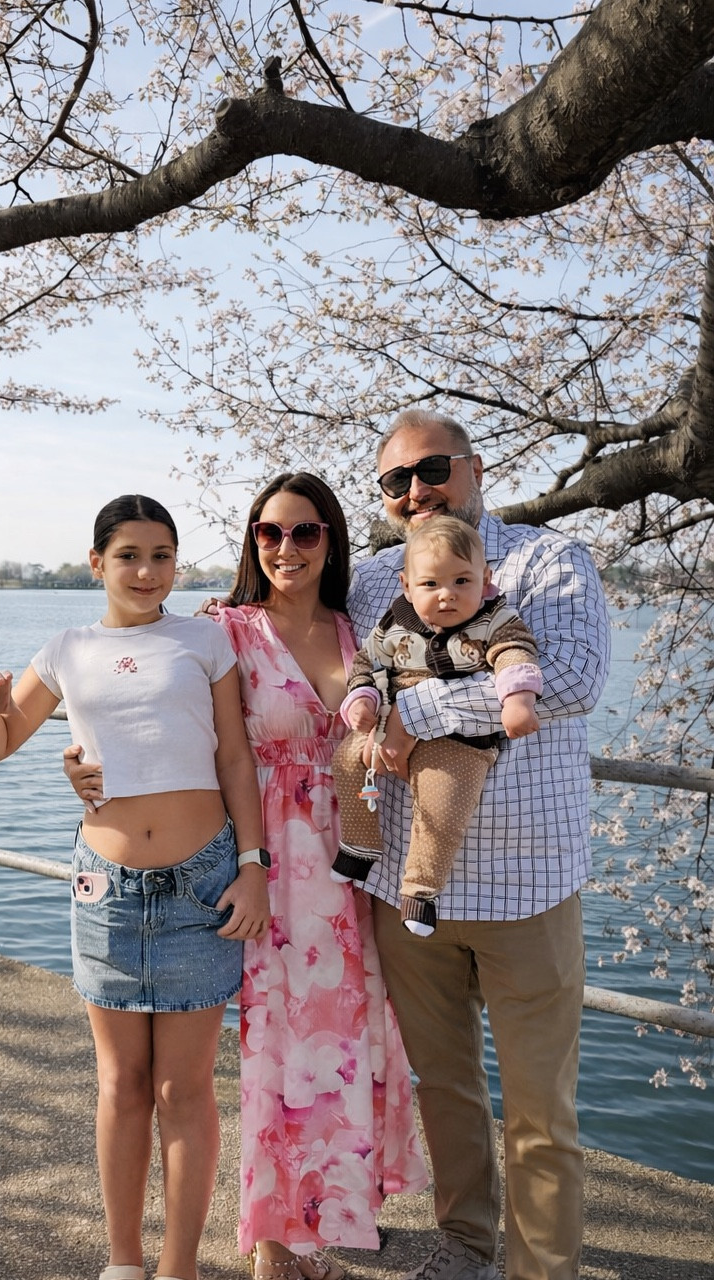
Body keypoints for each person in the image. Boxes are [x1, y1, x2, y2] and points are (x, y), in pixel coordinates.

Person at [67, 474, 428, 1280]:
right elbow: (144, 713)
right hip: (255, 863)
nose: (286, 548)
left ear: (330, 541)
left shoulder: (359, 628)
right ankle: (270, 1241)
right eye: (270, 533)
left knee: (343, 1044)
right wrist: (83, 767)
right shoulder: (221, 630)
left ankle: (315, 1226)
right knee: (272, 1048)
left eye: (305, 533)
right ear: (250, 541)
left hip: (352, 863)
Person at [0, 494, 271, 1280]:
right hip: (105, 888)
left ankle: (179, 1267)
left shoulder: (205, 642)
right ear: (96, 562)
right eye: (128, 554)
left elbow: (236, 761)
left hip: (202, 883)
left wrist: (253, 866)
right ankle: (124, 1262)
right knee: (122, 1083)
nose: (146, 570)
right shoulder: (66, 647)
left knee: (185, 1087)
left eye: (162, 555)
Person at [349, 410, 611, 1280]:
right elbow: (305, 645)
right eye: (395, 481)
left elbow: (569, 679)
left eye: (431, 470)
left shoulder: (548, 560)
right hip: (404, 883)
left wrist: (417, 711)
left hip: (526, 884)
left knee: (540, 1109)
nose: (415, 492)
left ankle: (541, 1270)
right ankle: (465, 1246)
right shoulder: (370, 578)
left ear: (474, 468)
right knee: (446, 1090)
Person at [331, 516, 542, 937]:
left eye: (461, 581)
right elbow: (368, 662)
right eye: (430, 585)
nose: (446, 595)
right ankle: (360, 843)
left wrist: (518, 699)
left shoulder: (494, 619)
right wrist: (362, 698)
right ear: (407, 586)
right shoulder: (396, 620)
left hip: (458, 738)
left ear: (485, 579)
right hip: (389, 718)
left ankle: (421, 891)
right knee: (346, 759)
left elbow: (515, 654)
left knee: (441, 806)